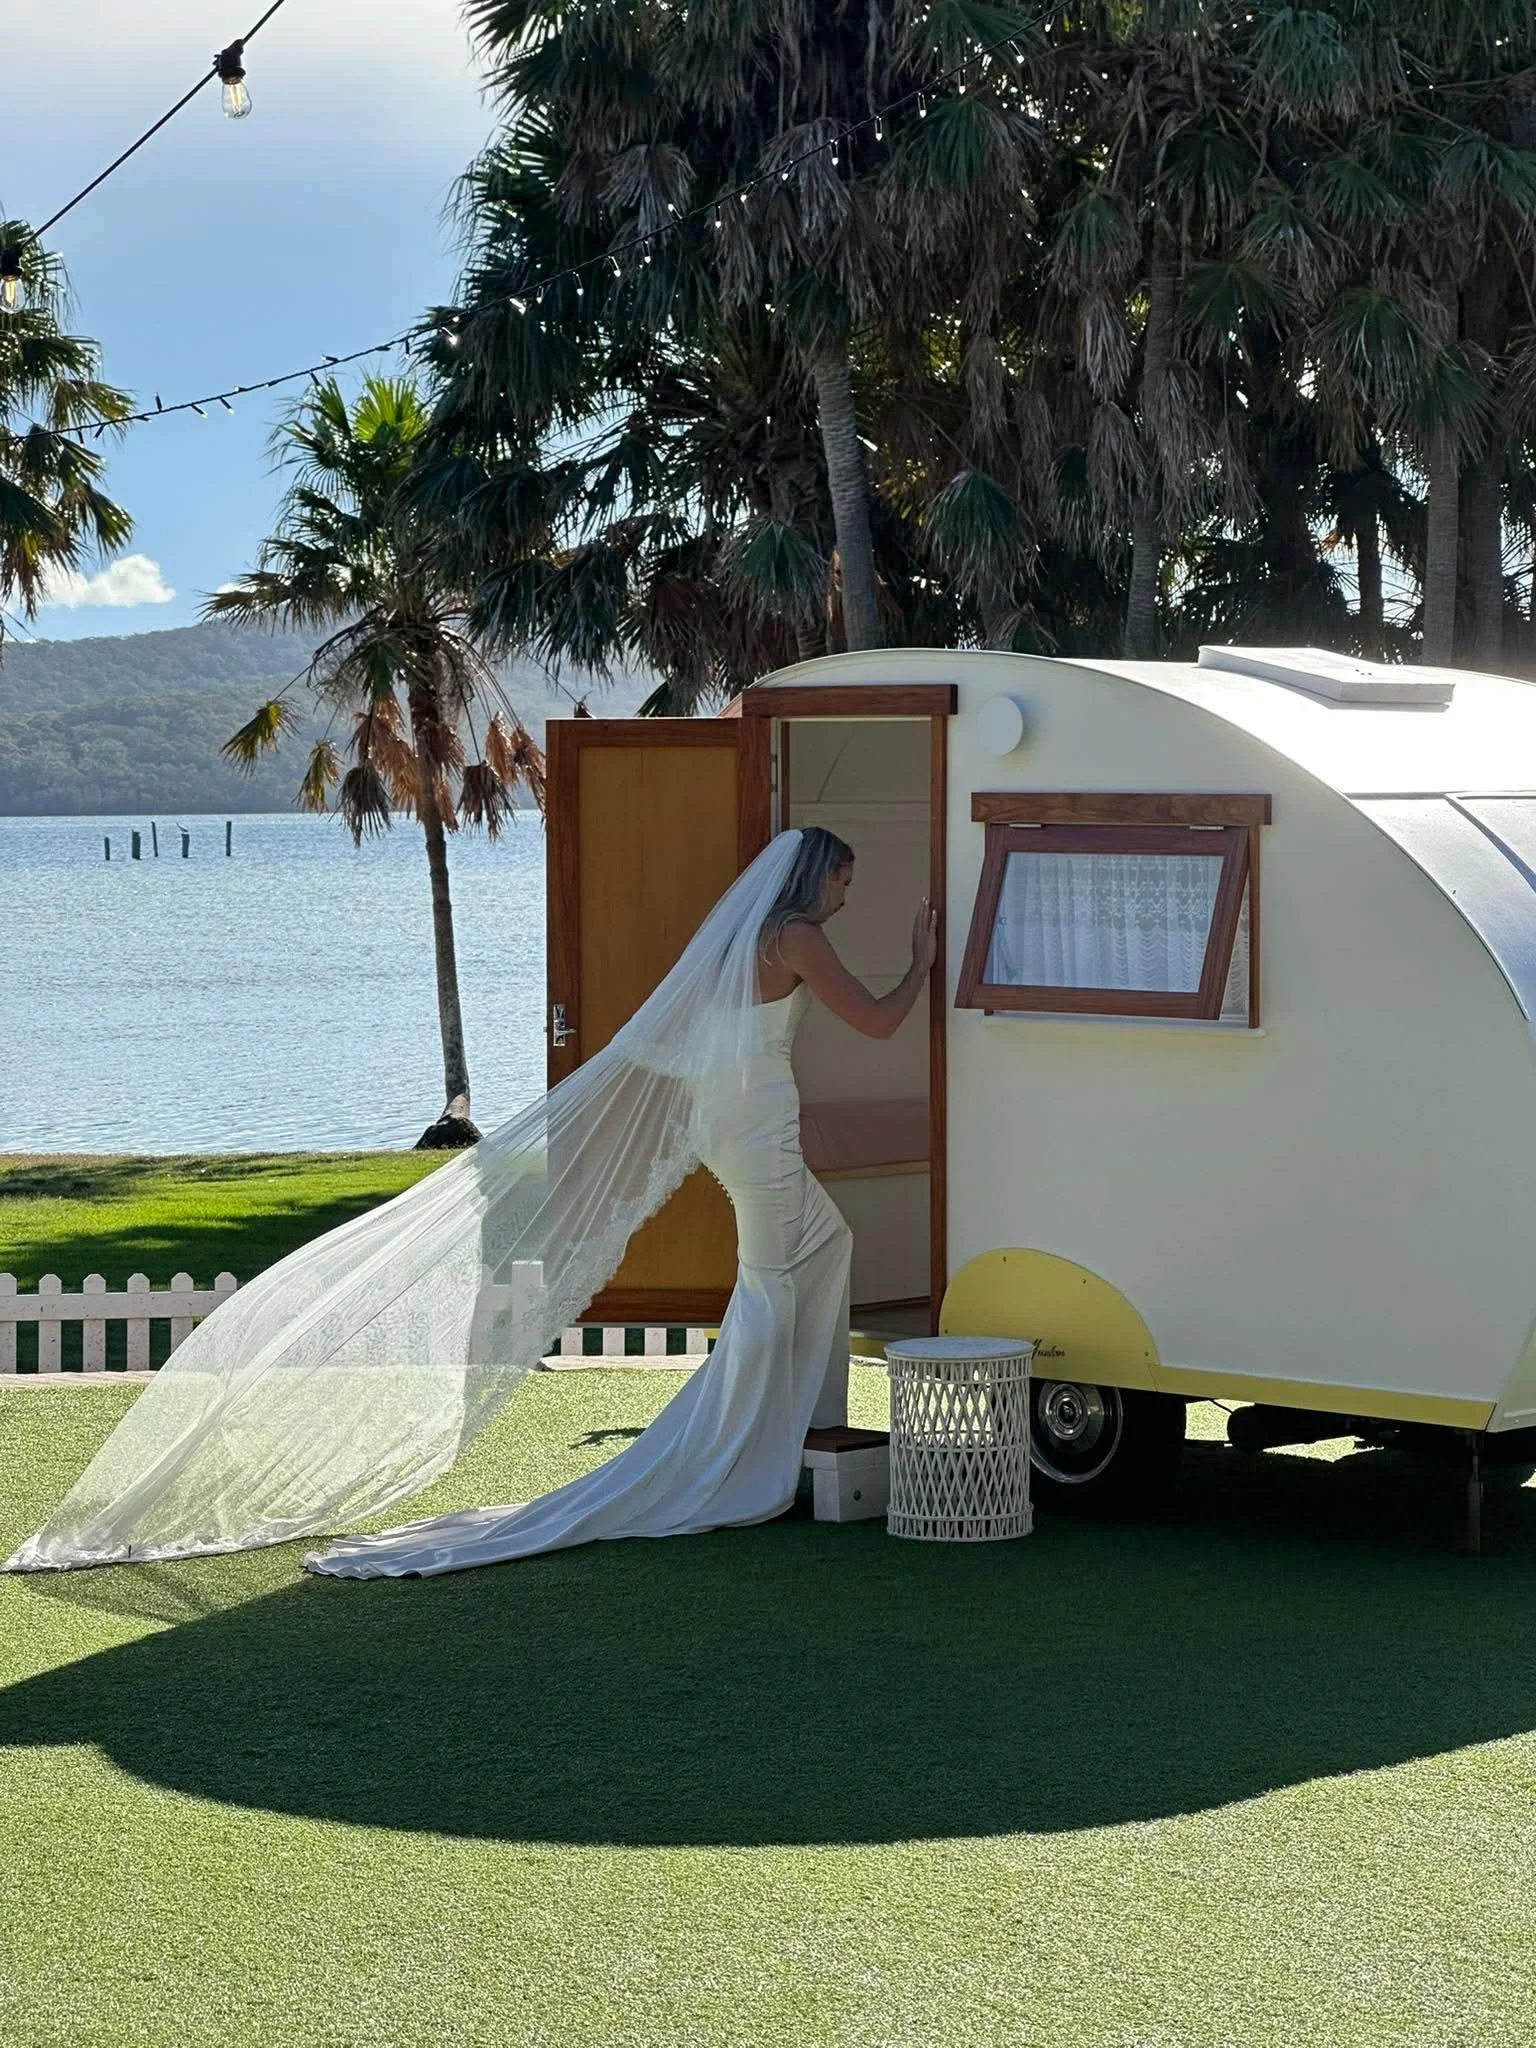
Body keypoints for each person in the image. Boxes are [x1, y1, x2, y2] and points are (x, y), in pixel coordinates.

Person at [4, 829, 937, 1577]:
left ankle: (797, 1418)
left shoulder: (747, 938)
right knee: (771, 1279)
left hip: (733, 1117)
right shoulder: (796, 936)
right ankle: (734, 1454)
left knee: (826, 1243)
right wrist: (921, 963)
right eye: (844, 880)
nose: (846, 896)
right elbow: (876, 1020)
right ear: (815, 877)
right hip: (759, 1126)